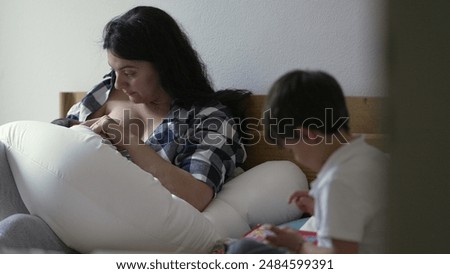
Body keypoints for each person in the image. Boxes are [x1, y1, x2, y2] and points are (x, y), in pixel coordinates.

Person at [0, 6, 247, 252]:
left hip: (110, 229)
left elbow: (196, 195)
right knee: (14, 225)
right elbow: (56, 143)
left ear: (164, 65)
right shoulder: (108, 91)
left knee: (15, 232)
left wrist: (127, 139)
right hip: (57, 211)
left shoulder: (209, 118)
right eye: (114, 70)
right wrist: (79, 129)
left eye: (129, 72)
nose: (119, 82)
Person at [226, 69, 388, 254]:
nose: (296, 157)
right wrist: (321, 208)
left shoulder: (337, 182)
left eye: (292, 149)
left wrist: (299, 245)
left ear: (309, 134)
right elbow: (362, 217)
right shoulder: (372, 157)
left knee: (240, 250)